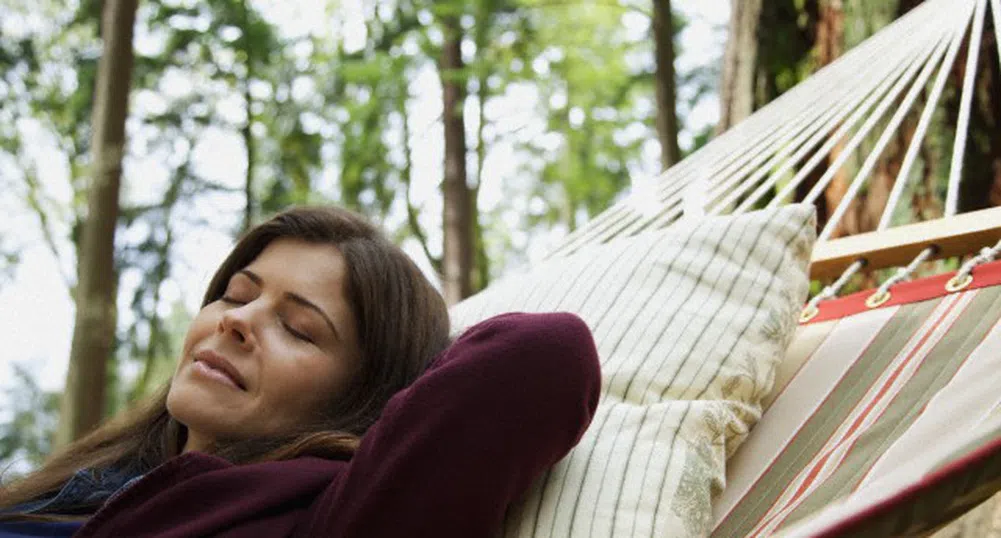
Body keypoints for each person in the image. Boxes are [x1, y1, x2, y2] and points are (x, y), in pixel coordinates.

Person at [0, 206, 601, 537]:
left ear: (365, 395)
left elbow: (546, 354)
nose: (237, 323)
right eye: (237, 295)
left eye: (298, 329)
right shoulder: (86, 480)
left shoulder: (328, 520)